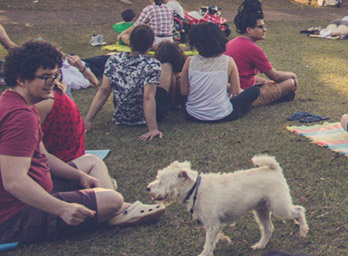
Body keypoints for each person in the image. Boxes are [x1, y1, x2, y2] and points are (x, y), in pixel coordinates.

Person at [0, 41, 164, 245]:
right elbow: (13, 181)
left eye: (54, 75)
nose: (52, 82)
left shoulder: (20, 102)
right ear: (21, 79)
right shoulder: (19, 116)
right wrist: (61, 208)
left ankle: (114, 209)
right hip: (15, 215)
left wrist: (78, 175)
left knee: (89, 162)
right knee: (113, 200)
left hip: (39, 188)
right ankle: (117, 210)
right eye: (45, 77)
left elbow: (43, 156)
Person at [84, 25, 168, 141]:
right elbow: (148, 97)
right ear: (150, 45)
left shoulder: (113, 60)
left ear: (130, 43)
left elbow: (104, 90)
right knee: (167, 70)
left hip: (121, 116)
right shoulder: (153, 64)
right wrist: (153, 128)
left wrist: (88, 120)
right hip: (142, 117)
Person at [181, 22, 261, 123]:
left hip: (192, 114)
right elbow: (235, 92)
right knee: (255, 91)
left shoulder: (190, 61)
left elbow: (184, 91)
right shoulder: (228, 61)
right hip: (222, 114)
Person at [226, 11, 297, 107]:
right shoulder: (254, 50)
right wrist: (293, 75)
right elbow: (275, 76)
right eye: (261, 27)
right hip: (244, 93)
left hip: (230, 87)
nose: (265, 30)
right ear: (249, 29)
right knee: (290, 83)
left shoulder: (232, 42)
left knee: (263, 81)